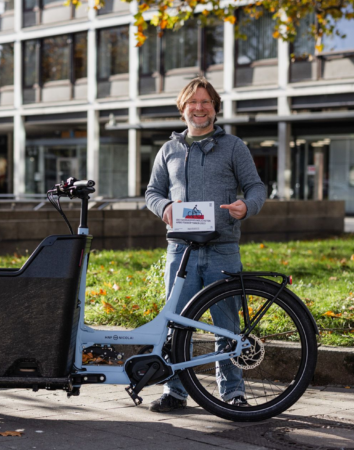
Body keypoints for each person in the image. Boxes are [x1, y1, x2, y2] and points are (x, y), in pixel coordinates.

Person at [144, 76, 267, 412]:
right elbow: (152, 192)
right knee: (177, 323)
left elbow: (256, 188)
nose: (199, 108)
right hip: (180, 250)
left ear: (215, 108)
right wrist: (164, 207)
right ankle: (176, 392)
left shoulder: (233, 147)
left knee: (226, 325)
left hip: (222, 249)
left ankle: (233, 394)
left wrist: (246, 207)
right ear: (183, 109)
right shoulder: (169, 150)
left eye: (205, 102)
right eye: (192, 103)